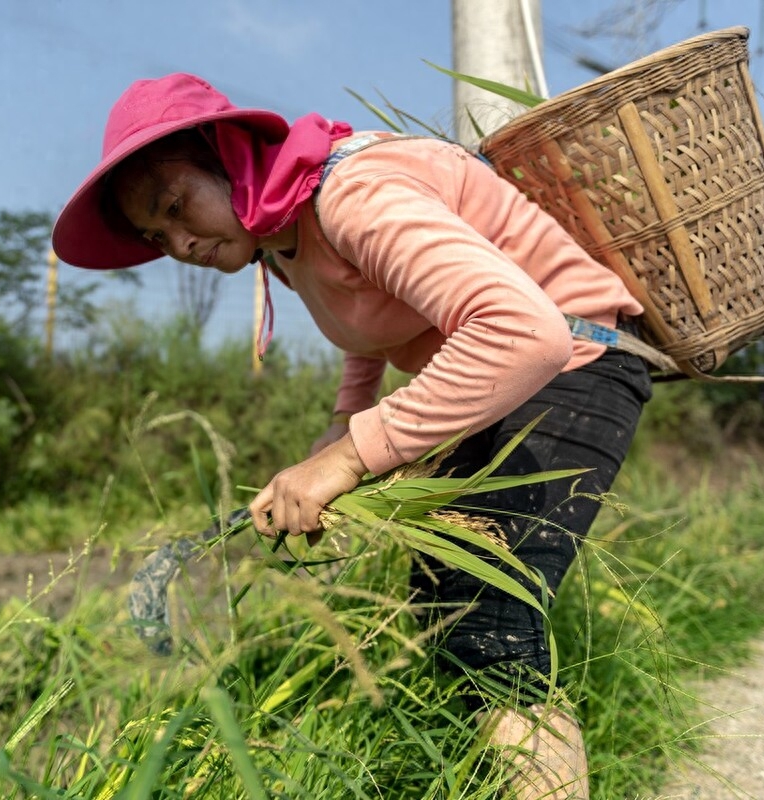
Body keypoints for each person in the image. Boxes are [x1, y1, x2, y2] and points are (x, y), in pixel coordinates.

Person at [52, 72, 652, 800]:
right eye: (156, 235)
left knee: (488, 620)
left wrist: (348, 459)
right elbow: (369, 318)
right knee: (445, 611)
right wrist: (340, 430)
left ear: (231, 153)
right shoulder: (283, 234)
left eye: (176, 205)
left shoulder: (351, 195)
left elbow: (528, 334)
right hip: (504, 394)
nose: (179, 243)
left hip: (576, 368)